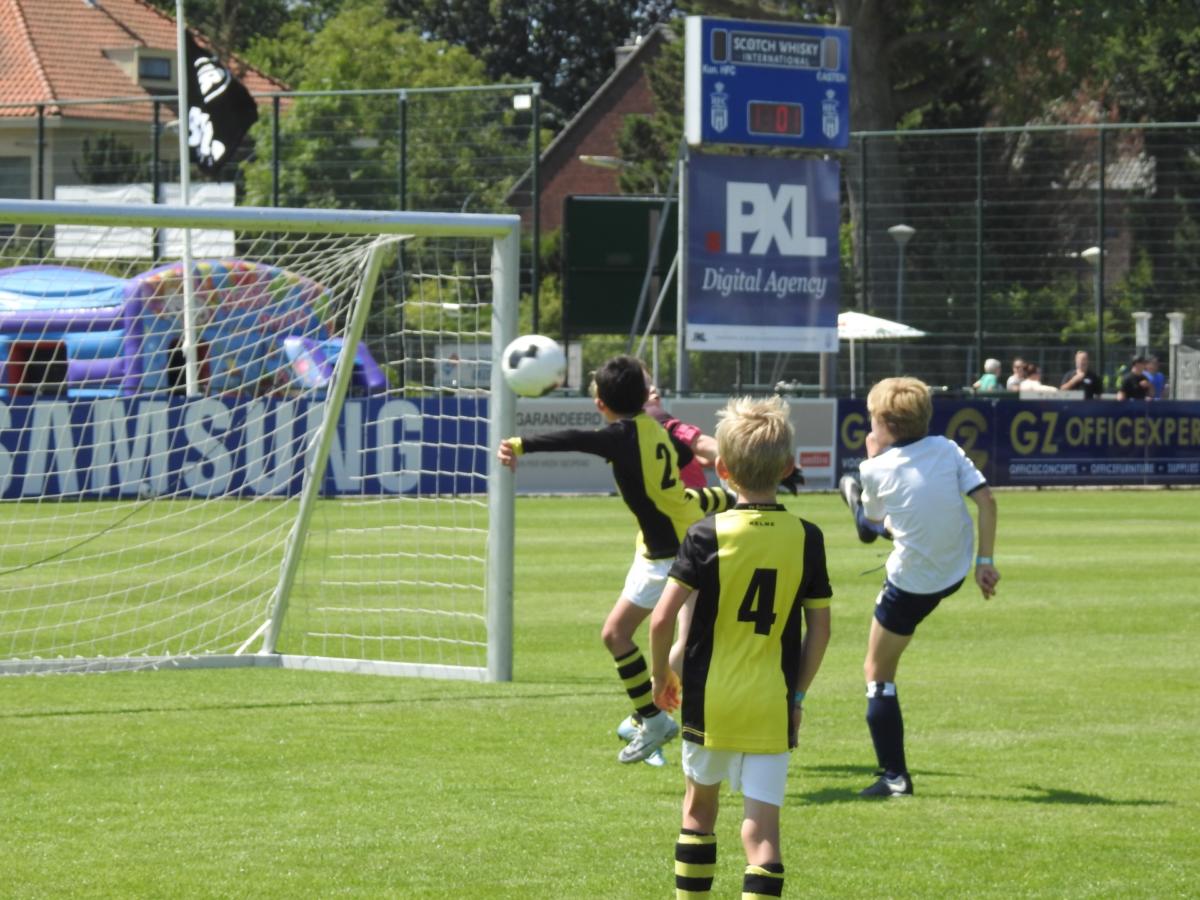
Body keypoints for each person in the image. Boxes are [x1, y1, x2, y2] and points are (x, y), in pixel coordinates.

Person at [497, 355, 733, 765]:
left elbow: (573, 438)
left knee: (641, 638)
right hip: (656, 546)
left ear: (600, 402)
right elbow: (678, 467)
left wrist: (520, 443)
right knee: (622, 636)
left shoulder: (620, 436)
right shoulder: (652, 429)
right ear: (644, 397)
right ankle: (652, 718)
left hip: (674, 552)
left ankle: (666, 724)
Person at [648, 395, 832, 898]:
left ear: (722, 469)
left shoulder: (707, 534)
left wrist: (662, 676)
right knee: (762, 833)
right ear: (789, 467)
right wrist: (796, 698)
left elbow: (662, 618)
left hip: (710, 699)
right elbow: (821, 629)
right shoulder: (806, 537)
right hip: (771, 702)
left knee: (698, 812)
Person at [838, 376, 998, 798]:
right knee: (898, 524)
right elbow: (986, 500)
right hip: (956, 569)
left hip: (912, 584)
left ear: (885, 424)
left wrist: (866, 471)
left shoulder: (876, 467)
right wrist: (986, 562)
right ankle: (860, 503)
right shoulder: (946, 448)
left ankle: (894, 778)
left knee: (877, 673)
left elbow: (871, 525)